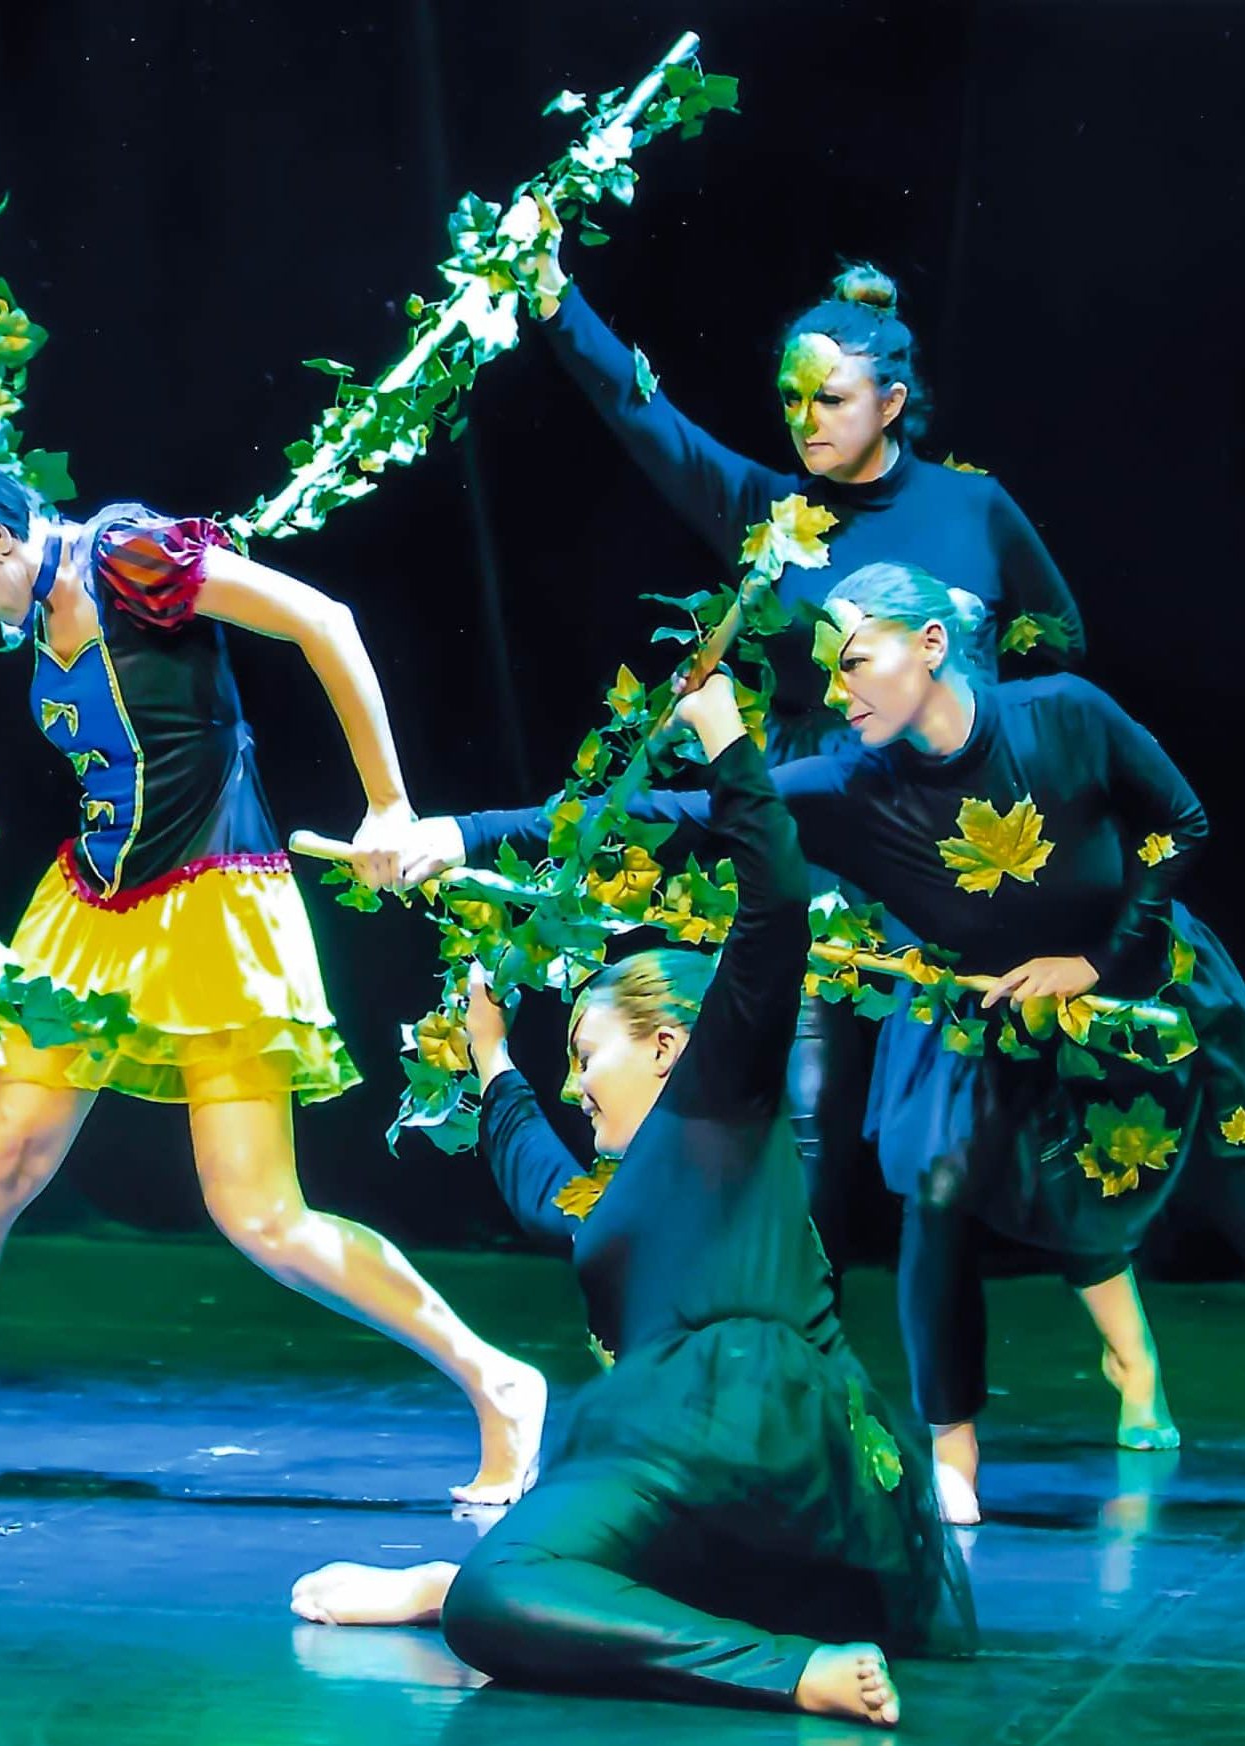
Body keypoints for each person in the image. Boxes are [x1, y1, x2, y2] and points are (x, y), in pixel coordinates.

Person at [0, 284, 548, 1502]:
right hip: (91, 910)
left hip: (214, 905)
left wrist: (389, 806)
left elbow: (324, 620)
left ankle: (495, 1377)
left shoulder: (135, 558)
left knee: (259, 1216)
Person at [392, 561, 1245, 1523]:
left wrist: (1094, 965)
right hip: (995, 1017)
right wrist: (463, 835)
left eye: (855, 663)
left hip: (1146, 993)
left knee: (1216, 1174)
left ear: (929, 646)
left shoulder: (1065, 716)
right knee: (944, 1183)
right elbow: (669, 817)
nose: (836, 694)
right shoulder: (849, 784)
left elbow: (1182, 821)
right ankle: (953, 1450)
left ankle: (1132, 1363)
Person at [290, 671, 972, 1726]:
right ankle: (484, 1595)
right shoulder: (629, 1187)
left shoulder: (719, 1099)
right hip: (802, 1484)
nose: (573, 1084)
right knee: (515, 1584)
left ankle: (777, 1667)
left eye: (583, 1054)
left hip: (730, 1419)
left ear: (666, 1045)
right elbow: (545, 1193)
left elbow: (776, 902)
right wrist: (491, 1064)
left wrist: (721, 737)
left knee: (495, 1598)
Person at [520, 248, 1088, 1262]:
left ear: (891, 400)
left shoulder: (973, 511)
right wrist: (555, 300)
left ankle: (1094, 1351)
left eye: (828, 397)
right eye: (789, 398)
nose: (804, 417)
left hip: (945, 834)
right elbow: (643, 415)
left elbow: (1057, 636)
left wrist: (992, 732)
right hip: (815, 832)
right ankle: (798, 1355)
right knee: (807, 1100)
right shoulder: (767, 516)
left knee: (962, 1118)